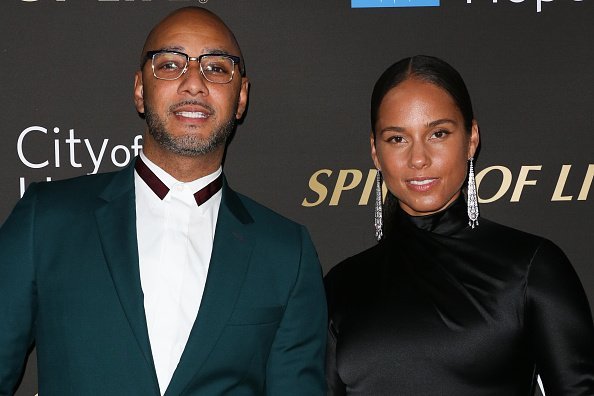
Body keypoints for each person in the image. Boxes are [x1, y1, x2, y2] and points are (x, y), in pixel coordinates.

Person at [0, 7, 326, 396]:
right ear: (140, 89)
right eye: (170, 64)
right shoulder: (47, 219)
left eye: (217, 68)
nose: (193, 83)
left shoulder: (286, 253)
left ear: (241, 97)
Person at [324, 55, 594, 395]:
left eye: (438, 133)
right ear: (375, 152)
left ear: (471, 139)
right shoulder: (342, 285)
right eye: (397, 139)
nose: (418, 158)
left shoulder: (530, 268)